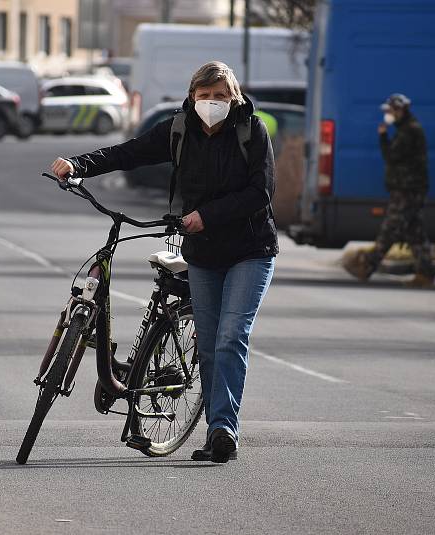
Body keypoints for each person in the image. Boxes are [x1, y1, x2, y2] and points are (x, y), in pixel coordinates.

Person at [50, 61, 277, 463]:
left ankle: (225, 431)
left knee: (230, 337)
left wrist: (208, 215)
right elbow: (130, 152)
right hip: (203, 252)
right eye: (205, 96)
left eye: (220, 97)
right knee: (206, 345)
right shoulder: (179, 129)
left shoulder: (250, 131)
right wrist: (78, 166)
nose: (212, 103)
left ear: (234, 98)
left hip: (250, 249)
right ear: (192, 97)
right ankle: (215, 432)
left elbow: (261, 192)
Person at [342, 93, 435, 288]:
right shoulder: (406, 129)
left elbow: (391, 156)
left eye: (391, 110)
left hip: (408, 190)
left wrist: (383, 136)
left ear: (400, 110)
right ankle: (425, 273)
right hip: (409, 189)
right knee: (415, 232)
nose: (388, 114)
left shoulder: (409, 131)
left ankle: (367, 265)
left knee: (391, 228)